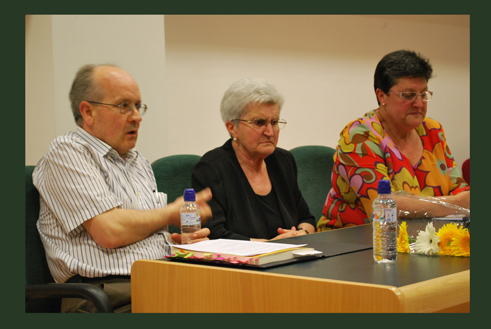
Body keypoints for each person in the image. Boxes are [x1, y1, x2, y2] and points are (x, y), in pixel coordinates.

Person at [32, 64, 212, 312]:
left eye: (138, 106)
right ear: (88, 111)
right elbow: (109, 231)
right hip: (105, 295)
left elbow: (139, 231)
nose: (136, 116)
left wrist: (177, 243)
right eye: (124, 106)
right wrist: (171, 213)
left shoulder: (138, 162)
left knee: (244, 294)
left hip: (158, 279)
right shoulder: (67, 152)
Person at [317, 50, 470, 231]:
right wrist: (455, 204)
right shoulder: (360, 136)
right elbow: (381, 206)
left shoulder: (432, 130)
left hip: (423, 239)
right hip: (354, 244)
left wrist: (462, 200)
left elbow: (459, 189)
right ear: (382, 96)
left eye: (423, 94)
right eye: (408, 95)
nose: (419, 103)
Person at [192, 78, 316, 241]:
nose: (270, 132)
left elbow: (307, 219)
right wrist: (270, 247)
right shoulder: (212, 168)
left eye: (275, 122)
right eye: (259, 122)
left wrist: (301, 234)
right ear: (232, 128)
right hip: (239, 265)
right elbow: (214, 235)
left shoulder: (283, 160)